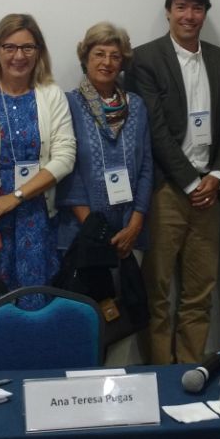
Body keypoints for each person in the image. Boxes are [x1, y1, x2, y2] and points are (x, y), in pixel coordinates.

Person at [124, 0, 220, 364]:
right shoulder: (145, 58)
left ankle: (190, 371)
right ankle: (161, 375)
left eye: (197, 8)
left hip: (211, 191)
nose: (189, 15)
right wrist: (190, 182)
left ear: (205, 13)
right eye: (181, 7)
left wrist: (217, 176)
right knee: (157, 290)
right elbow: (154, 130)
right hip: (166, 191)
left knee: (200, 291)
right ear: (168, 11)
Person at [56, 22, 154, 334]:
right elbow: (66, 168)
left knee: (122, 320)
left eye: (115, 55)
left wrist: (135, 223)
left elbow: (146, 167)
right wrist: (95, 230)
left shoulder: (136, 106)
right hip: (82, 234)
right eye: (99, 54)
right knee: (82, 322)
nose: (107, 62)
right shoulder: (68, 104)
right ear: (85, 58)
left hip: (128, 233)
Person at [0, 14, 76, 308]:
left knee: (37, 298)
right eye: (9, 47)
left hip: (37, 212)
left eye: (27, 48)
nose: (19, 56)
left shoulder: (51, 94)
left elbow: (65, 157)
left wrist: (15, 197)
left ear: (38, 52)